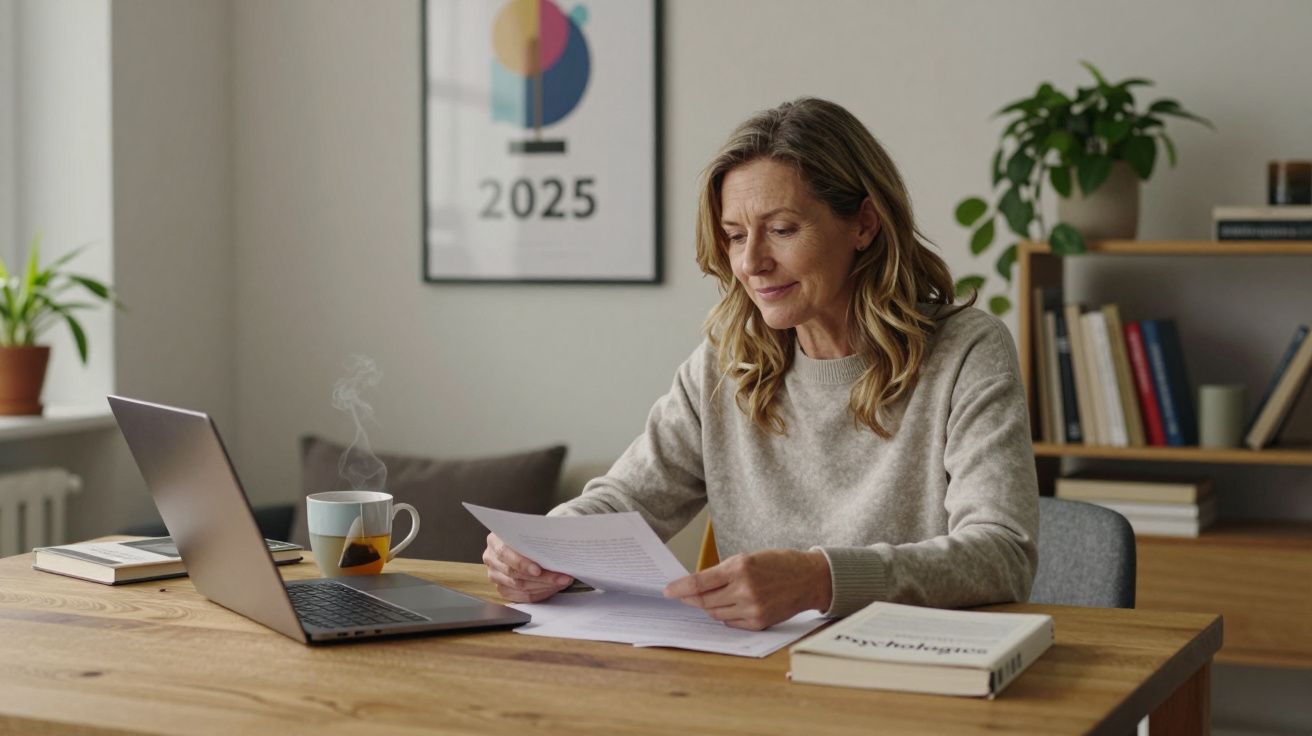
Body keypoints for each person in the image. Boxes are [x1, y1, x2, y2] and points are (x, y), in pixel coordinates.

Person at [482, 97, 1039, 630]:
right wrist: (544, 547)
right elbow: (626, 500)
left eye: (782, 229)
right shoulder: (727, 363)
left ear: (863, 225)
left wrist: (820, 580)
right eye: (733, 236)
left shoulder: (966, 351)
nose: (751, 263)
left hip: (908, 678)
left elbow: (1001, 553)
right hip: (752, 677)